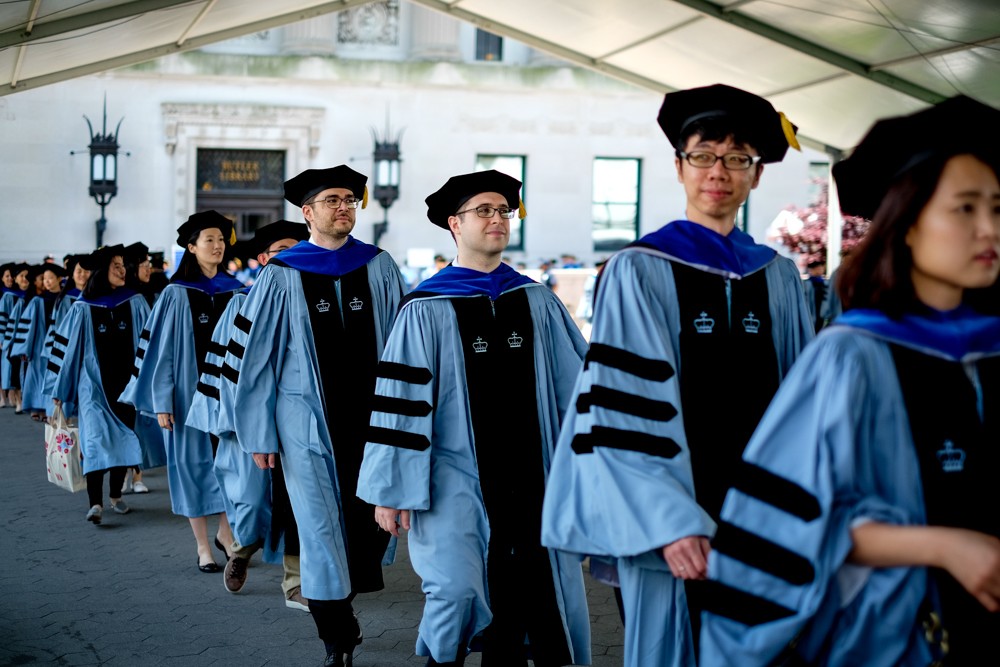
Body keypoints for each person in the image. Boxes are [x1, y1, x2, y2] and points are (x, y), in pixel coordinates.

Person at [699, 96, 1000, 666]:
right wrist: (944, 545)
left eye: (998, 207)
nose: (988, 229)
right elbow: (783, 521)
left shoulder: (990, 347)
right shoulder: (852, 356)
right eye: (964, 209)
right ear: (907, 222)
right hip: (897, 636)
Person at [540, 83, 815, 667]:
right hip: (674, 523)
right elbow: (621, 410)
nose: (720, 170)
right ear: (679, 166)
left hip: (766, 516)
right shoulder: (639, 270)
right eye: (704, 155)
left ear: (756, 175)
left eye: (737, 158)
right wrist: (670, 523)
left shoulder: (779, 277)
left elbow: (804, 407)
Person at [358, 170, 592, 667]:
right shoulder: (425, 306)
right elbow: (399, 400)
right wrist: (392, 490)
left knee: (536, 590)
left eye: (504, 211)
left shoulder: (536, 300)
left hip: (536, 475)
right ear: (454, 224)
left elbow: (578, 390)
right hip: (453, 476)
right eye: (483, 210)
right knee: (457, 589)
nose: (497, 219)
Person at [220, 165, 405, 667]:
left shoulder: (380, 266)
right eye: (331, 200)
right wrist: (259, 433)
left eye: (349, 199)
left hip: (372, 423)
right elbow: (255, 360)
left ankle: (342, 610)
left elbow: (405, 345)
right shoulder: (281, 275)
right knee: (319, 529)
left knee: (363, 526)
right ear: (308, 213)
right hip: (305, 425)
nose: (343, 207)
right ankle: (336, 637)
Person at [185, 219, 311, 610]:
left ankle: (296, 582)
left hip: (301, 423)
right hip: (250, 425)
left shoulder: (316, 303)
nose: (291, 259)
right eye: (281, 252)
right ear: (262, 260)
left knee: (298, 503)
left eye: (297, 251)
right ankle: (240, 549)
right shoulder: (241, 304)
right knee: (254, 501)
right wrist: (229, 423)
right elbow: (223, 370)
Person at [120, 211, 244, 573]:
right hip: (186, 399)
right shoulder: (175, 295)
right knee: (190, 467)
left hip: (228, 396)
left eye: (221, 240)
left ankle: (225, 532)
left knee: (227, 466)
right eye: (209, 240)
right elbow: (161, 354)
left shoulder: (236, 289)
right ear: (191, 247)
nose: (217, 246)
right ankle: (203, 546)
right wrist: (161, 401)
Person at [48, 246, 149, 524]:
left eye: (122, 266)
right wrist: (60, 391)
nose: (122, 270)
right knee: (94, 443)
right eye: (116, 266)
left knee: (123, 440)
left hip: (127, 387)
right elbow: (69, 352)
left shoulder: (136, 301)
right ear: (103, 271)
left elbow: (149, 344)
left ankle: (115, 494)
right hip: (92, 387)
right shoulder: (83, 306)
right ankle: (95, 503)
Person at [2, 263, 30, 412]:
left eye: (27, 276)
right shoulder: (10, 297)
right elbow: (4, 319)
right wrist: (3, 340)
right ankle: (19, 401)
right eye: (21, 276)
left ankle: (26, 399)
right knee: (15, 371)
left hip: (30, 340)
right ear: (16, 279)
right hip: (14, 340)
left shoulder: (34, 297)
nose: (25, 279)